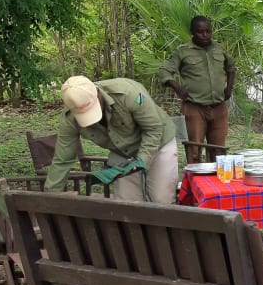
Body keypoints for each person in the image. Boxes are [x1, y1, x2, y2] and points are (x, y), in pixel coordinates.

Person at [45, 76, 179, 203]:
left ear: (97, 94)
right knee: (127, 204)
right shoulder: (70, 119)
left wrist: (141, 161)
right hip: (123, 152)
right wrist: (51, 197)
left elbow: (154, 129)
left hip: (159, 142)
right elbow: (63, 159)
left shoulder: (129, 94)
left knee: (162, 200)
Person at [157, 15, 236, 163]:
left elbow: (231, 67)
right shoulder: (183, 51)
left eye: (208, 31)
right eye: (200, 32)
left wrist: (229, 89)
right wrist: (178, 89)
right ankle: (194, 183)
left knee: (219, 153)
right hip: (194, 108)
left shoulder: (219, 48)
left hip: (218, 108)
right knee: (194, 151)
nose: (205, 35)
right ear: (192, 32)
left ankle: (214, 185)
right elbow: (164, 71)